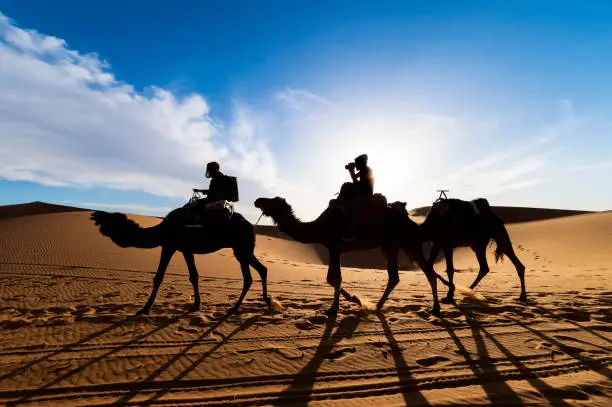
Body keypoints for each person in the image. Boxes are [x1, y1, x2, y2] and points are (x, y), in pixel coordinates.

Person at [342, 154, 375, 241]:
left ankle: (352, 234)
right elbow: (356, 178)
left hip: (365, 195)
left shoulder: (366, 170)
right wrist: (351, 170)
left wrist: (351, 171)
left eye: (357, 163)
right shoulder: (365, 169)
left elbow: (357, 185)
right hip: (364, 194)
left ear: (361, 163)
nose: (356, 164)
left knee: (350, 208)